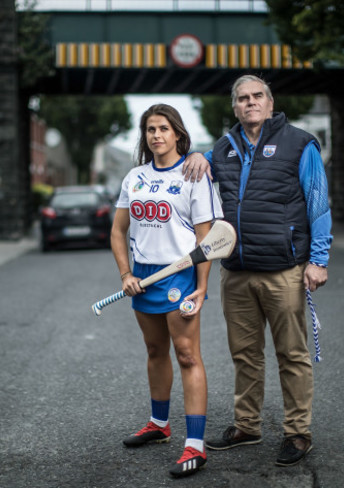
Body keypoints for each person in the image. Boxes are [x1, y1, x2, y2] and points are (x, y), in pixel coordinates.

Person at [182, 75, 332, 467]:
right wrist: (197, 154)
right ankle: (247, 425)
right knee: (244, 354)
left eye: (257, 96)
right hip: (236, 271)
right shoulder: (222, 148)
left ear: (270, 102)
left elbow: (318, 201)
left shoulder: (299, 143)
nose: (250, 103)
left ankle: (298, 432)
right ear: (234, 107)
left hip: (284, 270)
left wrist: (318, 259)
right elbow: (200, 188)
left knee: (292, 354)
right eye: (242, 99)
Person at [111, 103, 224, 478]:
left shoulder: (194, 175)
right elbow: (118, 231)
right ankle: (159, 424)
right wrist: (125, 273)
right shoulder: (135, 177)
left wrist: (202, 287)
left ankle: (195, 445)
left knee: (188, 354)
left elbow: (205, 238)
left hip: (179, 276)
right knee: (155, 349)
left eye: (163, 128)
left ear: (177, 133)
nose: (156, 135)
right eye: (149, 129)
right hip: (143, 277)